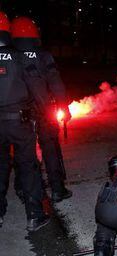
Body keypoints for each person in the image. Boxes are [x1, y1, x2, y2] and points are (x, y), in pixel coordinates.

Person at [10, 16, 72, 203]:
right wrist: (64, 106)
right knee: (50, 149)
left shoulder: (11, 56)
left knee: (23, 152)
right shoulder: (44, 56)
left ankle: (23, 189)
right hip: (45, 110)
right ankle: (57, 189)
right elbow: (55, 82)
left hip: (21, 114)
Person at [0, 11, 51, 231]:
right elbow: (37, 88)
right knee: (28, 167)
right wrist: (47, 111)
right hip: (19, 123)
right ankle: (34, 215)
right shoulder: (20, 56)